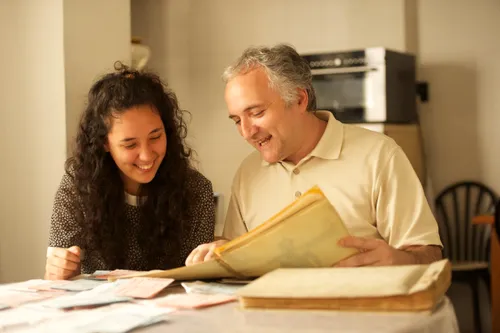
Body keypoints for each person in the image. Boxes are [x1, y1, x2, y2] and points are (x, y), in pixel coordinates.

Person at [186, 44, 442, 267]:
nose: (247, 132)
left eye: (256, 113)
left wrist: (399, 260)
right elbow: (237, 254)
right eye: (237, 120)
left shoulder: (379, 156)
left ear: (299, 99)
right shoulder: (248, 171)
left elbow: (429, 256)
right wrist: (220, 253)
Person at [45, 64, 215, 280]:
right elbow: (55, 275)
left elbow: (200, 278)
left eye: (155, 137)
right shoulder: (78, 187)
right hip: (101, 309)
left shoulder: (196, 190)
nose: (146, 156)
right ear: (104, 143)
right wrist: (58, 270)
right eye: (130, 144)